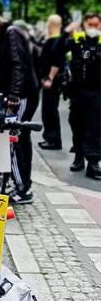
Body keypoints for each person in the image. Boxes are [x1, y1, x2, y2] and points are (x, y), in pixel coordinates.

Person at [0, 13, 39, 204]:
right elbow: (1, 67)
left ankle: (22, 189)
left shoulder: (11, 33)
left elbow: (17, 65)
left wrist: (14, 93)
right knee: (19, 138)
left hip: (22, 95)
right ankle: (21, 185)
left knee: (13, 139)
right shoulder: (2, 37)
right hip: (20, 93)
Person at [51, 13, 101, 180]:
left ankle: (93, 162)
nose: (93, 28)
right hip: (78, 90)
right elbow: (56, 50)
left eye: (96, 25)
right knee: (77, 124)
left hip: (97, 91)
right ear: (85, 25)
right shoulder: (77, 40)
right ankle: (78, 156)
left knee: (94, 127)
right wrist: (66, 32)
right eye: (90, 25)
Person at [38, 14, 64, 150]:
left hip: (52, 81)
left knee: (49, 110)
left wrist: (50, 78)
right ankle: (50, 137)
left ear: (50, 25)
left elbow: (56, 62)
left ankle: (53, 139)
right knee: (48, 110)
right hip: (52, 80)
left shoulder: (55, 41)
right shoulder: (56, 40)